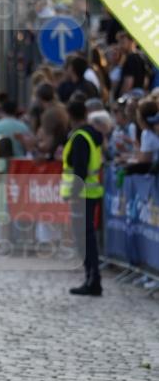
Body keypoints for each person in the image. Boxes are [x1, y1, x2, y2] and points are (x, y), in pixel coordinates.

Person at [60, 98, 104, 297]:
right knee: (87, 238)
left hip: (82, 194)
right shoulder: (91, 135)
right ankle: (92, 279)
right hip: (90, 193)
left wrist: (73, 194)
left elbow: (80, 170)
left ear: (70, 116)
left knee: (85, 239)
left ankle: (93, 280)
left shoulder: (80, 138)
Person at [114, 31, 148, 98]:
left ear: (131, 42)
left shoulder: (130, 59)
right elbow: (146, 81)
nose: (120, 46)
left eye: (123, 42)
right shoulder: (140, 56)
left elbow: (128, 82)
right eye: (119, 42)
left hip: (130, 97)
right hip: (139, 95)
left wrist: (120, 99)